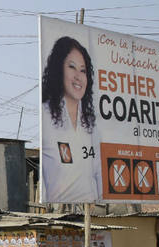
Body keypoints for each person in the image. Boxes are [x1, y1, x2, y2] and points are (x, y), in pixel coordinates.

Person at [40, 36, 100, 203]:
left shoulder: (92, 124)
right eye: (72, 67)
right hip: (56, 212)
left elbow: (99, 175)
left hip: (93, 212)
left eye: (83, 70)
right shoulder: (45, 116)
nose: (78, 76)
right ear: (59, 69)